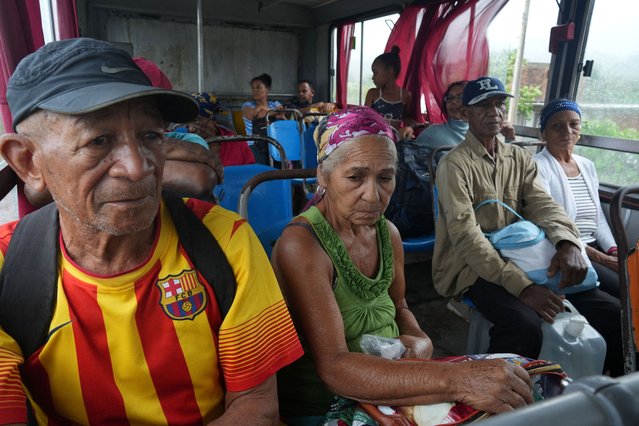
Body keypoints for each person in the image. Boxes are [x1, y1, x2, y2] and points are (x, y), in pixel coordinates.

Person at [0, 37, 303, 425]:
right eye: (99, 140)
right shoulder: (8, 265)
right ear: (27, 161)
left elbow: (257, 406)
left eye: (150, 136)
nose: (138, 167)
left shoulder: (226, 242)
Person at [273, 106, 534, 425]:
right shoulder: (302, 245)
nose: (373, 195)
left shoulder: (387, 233)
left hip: (391, 382)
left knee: (520, 384)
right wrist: (455, 380)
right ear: (323, 176)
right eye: (355, 177)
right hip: (325, 405)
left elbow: (399, 305)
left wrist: (419, 338)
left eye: (385, 177)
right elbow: (335, 369)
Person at [432, 76, 623, 376]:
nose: (493, 112)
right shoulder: (454, 165)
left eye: (499, 104)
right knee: (524, 325)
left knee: (613, 315)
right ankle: (495, 394)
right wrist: (524, 288)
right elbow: (467, 237)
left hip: (522, 254)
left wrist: (567, 242)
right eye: (483, 105)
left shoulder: (518, 157)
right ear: (465, 113)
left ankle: (598, 391)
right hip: (469, 265)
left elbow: (543, 205)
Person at [533, 99, 619, 297]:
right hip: (567, 249)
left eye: (574, 124)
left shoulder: (587, 165)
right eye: (557, 126)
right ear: (544, 133)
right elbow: (547, 222)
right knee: (627, 289)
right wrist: (602, 259)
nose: (567, 131)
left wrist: (613, 251)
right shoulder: (537, 166)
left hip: (596, 250)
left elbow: (597, 218)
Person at [415, 80, 516, 154]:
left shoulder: (486, 132)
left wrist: (509, 138)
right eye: (450, 98)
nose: (454, 102)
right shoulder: (432, 134)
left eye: (460, 97)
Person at [183, 92, 256, 166]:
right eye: (187, 121)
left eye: (196, 121)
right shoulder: (182, 146)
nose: (191, 129)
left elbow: (250, 173)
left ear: (213, 119)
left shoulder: (237, 145)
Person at [364, 46, 418, 140]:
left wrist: (412, 127)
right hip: (375, 138)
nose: (373, 78)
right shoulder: (373, 94)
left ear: (390, 71)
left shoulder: (405, 95)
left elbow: (405, 117)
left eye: (375, 73)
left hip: (395, 139)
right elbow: (364, 118)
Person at [242, 73, 283, 164]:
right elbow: (254, 115)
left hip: (274, 142)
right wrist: (273, 112)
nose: (255, 90)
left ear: (267, 89)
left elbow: (282, 114)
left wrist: (261, 108)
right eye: (253, 88)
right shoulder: (247, 106)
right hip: (254, 144)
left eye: (258, 87)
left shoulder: (275, 103)